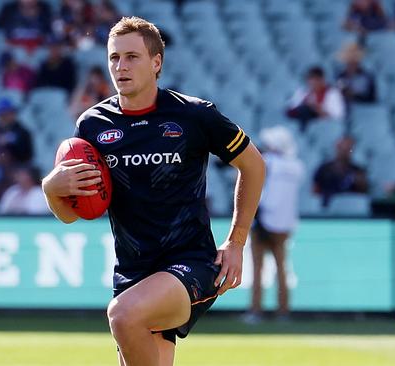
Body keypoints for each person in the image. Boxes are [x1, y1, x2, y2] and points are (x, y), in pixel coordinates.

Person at [41, 17, 265, 366]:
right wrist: (51, 190)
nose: (121, 66)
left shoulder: (195, 115)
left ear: (156, 62)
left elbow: (254, 166)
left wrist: (236, 242)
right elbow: (72, 213)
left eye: (132, 57)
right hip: (133, 272)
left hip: (190, 264)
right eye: (114, 58)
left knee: (122, 316)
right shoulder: (92, 126)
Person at [242, 126, 304, 324]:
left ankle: (255, 310)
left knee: (258, 267)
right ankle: (283, 311)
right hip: (285, 224)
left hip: (263, 220)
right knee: (281, 267)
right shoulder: (297, 166)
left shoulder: (268, 162)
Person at [313, 135, 369, 207]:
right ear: (336, 148)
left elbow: (364, 193)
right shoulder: (324, 169)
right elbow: (315, 191)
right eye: (342, 148)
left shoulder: (358, 170)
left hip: (351, 209)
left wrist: (360, 183)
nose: (345, 151)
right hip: (326, 209)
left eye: (349, 149)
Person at [286, 66, 345, 131]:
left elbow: (338, 117)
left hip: (325, 127)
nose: (312, 83)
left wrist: (316, 108)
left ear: (321, 80)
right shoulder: (303, 92)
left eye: (315, 80)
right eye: (310, 80)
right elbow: (291, 110)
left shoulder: (333, 94)